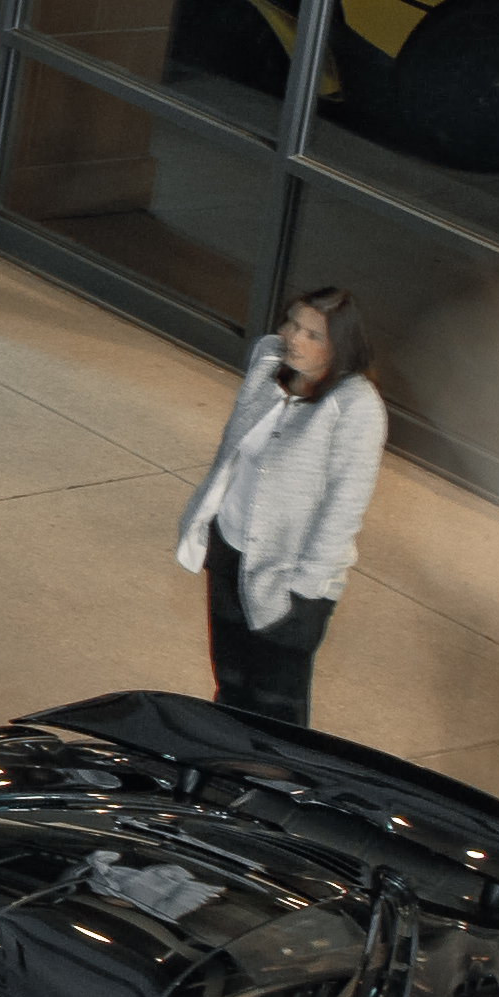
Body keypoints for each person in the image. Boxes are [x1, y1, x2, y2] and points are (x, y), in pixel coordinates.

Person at [164, 288, 385, 730]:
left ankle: (278, 789)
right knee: (230, 683)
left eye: (312, 335)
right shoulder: (268, 362)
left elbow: (343, 511)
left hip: (291, 580)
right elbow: (233, 451)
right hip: (230, 549)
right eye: (291, 323)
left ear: (340, 346)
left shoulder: (357, 407)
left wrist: (302, 590)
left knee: (276, 708)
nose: (293, 339)